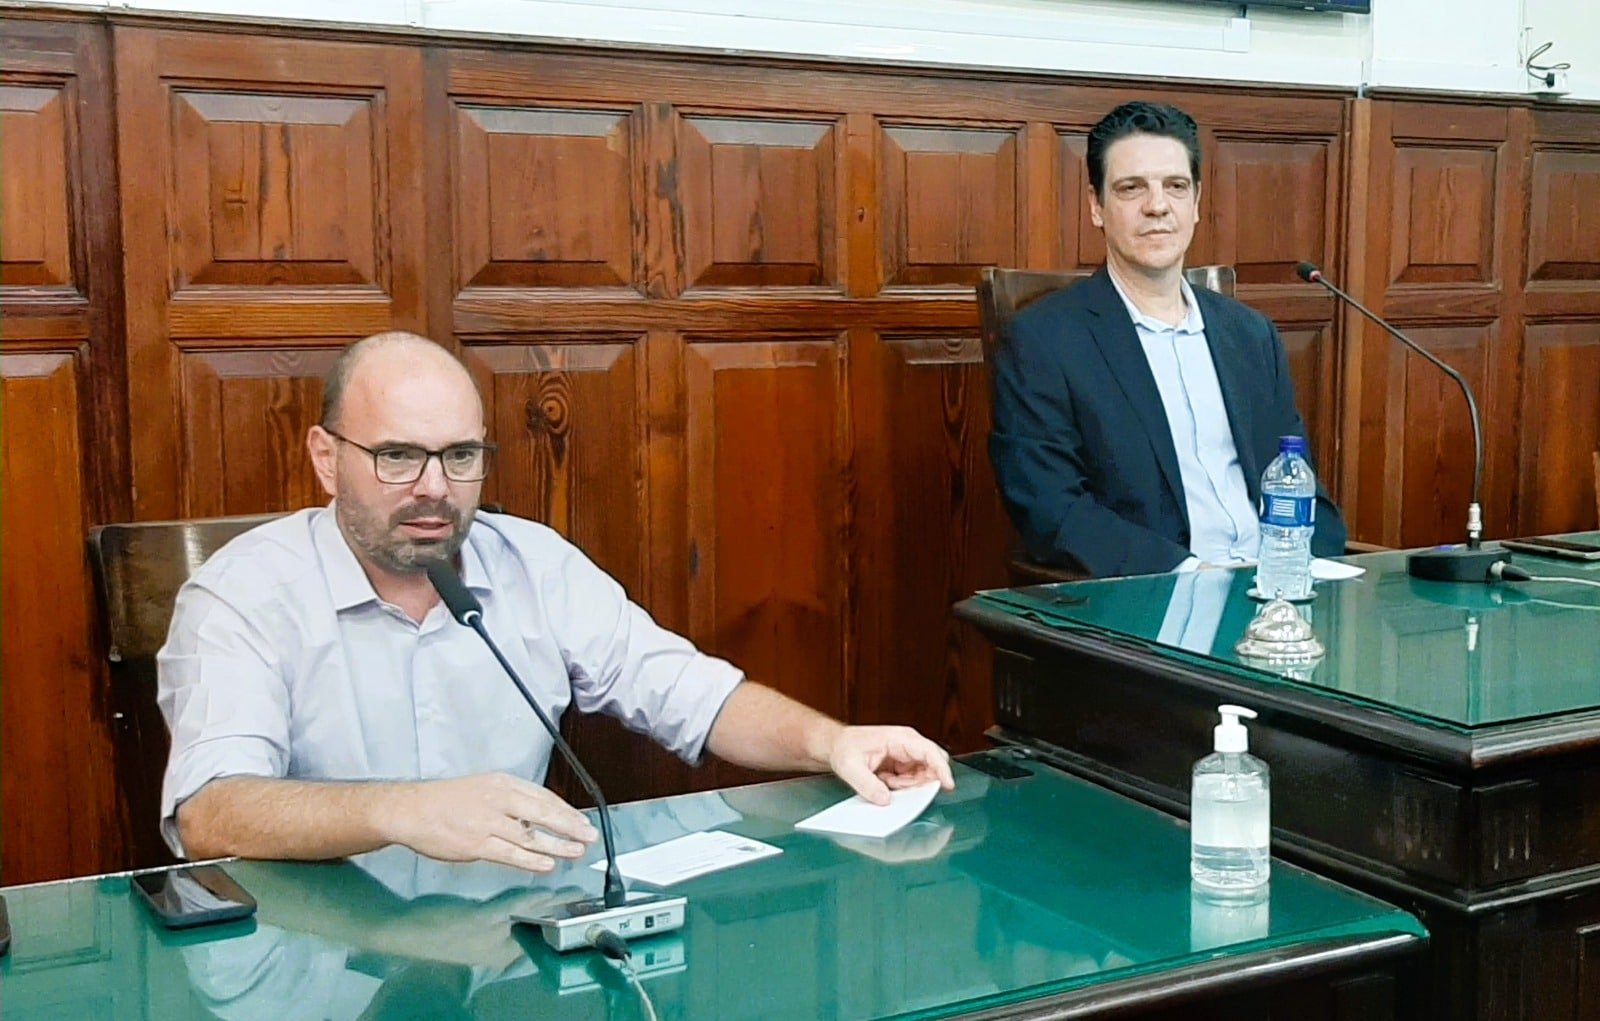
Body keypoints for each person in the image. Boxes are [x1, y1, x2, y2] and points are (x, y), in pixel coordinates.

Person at [158, 331, 954, 874]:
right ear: (326, 458)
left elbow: (689, 693)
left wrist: (831, 740)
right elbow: (212, 810)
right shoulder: (241, 592)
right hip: (310, 966)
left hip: (513, 949)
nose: (435, 487)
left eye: (461, 455)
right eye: (398, 455)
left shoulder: (530, 562)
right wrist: (400, 811)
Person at [988, 100, 1346, 578]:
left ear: (1196, 203)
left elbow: (1297, 484)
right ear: (1097, 207)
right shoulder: (1044, 340)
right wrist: (1190, 573)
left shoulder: (1250, 334)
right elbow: (1054, 512)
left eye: (1175, 186)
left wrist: (1312, 569)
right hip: (1157, 597)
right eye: (1131, 188)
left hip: (1280, 594)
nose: (1157, 205)